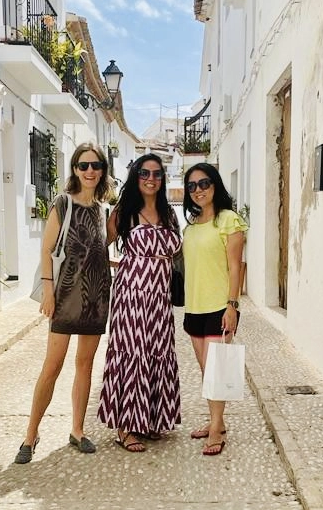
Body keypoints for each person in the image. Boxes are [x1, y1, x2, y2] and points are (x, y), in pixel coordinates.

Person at [15, 143, 112, 463]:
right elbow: (47, 250)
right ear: (75, 169)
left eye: (95, 166)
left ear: (103, 170)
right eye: (84, 166)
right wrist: (49, 292)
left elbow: (98, 251)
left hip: (96, 297)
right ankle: (31, 434)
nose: (90, 171)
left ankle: (77, 430)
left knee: (85, 364)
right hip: (66, 295)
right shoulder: (63, 202)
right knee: (52, 365)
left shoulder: (103, 210)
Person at [98, 154, 182, 452]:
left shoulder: (169, 214)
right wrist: (122, 264)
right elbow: (100, 247)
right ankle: (125, 427)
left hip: (160, 298)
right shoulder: (124, 212)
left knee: (158, 350)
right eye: (145, 173)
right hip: (131, 296)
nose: (151, 179)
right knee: (132, 353)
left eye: (157, 174)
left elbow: (176, 253)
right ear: (136, 176)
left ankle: (150, 419)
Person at [181, 163, 247, 456]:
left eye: (204, 183)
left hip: (219, 306)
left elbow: (236, 267)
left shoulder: (228, 220)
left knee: (216, 371)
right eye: (192, 186)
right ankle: (214, 420)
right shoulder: (191, 226)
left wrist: (232, 306)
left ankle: (217, 428)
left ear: (215, 184)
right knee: (207, 370)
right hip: (194, 306)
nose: (198, 190)